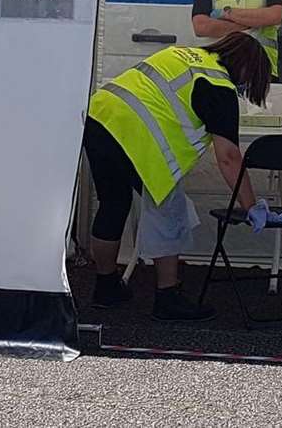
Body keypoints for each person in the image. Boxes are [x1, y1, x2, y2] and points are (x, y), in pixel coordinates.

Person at [82, 33, 270, 321]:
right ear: (247, 68)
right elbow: (229, 157)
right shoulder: (219, 86)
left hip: (99, 116)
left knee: (112, 203)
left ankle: (106, 288)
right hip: (135, 137)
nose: (246, 88)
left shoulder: (183, 55)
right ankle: (167, 297)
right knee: (170, 212)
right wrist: (251, 205)